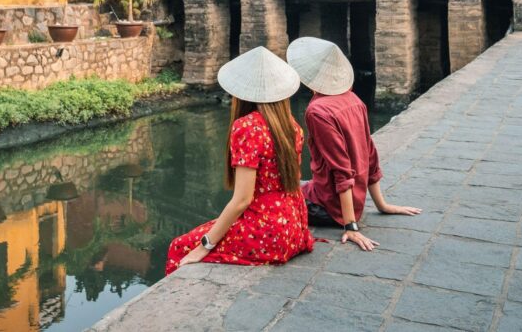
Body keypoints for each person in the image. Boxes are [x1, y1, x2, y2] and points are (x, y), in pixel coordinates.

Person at [166, 46, 315, 274]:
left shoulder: (247, 127)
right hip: (295, 227)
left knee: (180, 247)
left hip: (267, 233)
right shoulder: (292, 126)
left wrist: (204, 246)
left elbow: (242, 200)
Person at [287, 37, 421, 251]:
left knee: (273, 199)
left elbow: (341, 169)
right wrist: (381, 205)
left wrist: (350, 226)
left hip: (329, 207)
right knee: (301, 187)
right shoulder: (354, 100)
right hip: (346, 200)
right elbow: (369, 155)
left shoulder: (318, 111)